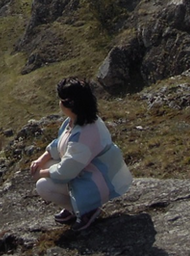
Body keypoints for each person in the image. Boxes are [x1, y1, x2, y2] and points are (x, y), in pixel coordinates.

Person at [29, 77, 133, 231]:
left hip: (97, 180)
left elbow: (67, 170)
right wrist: (40, 160)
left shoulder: (85, 134)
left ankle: (86, 210)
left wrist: (42, 173)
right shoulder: (76, 121)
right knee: (47, 165)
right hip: (86, 170)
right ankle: (74, 207)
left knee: (43, 186)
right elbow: (59, 144)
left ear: (68, 104)